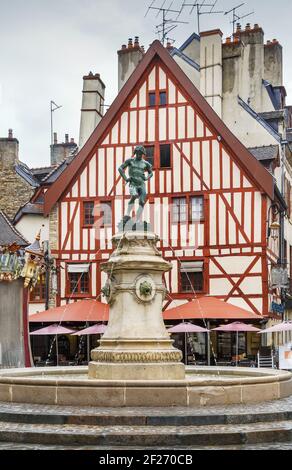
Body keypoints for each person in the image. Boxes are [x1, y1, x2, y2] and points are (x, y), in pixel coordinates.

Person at [118, 146, 153, 223]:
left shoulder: (145, 163)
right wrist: (125, 178)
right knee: (134, 195)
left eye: (141, 154)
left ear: (143, 154)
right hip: (133, 183)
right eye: (138, 153)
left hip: (141, 183)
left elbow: (151, 173)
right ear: (135, 153)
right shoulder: (130, 161)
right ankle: (127, 214)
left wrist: (147, 178)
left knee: (142, 202)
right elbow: (120, 168)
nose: (139, 155)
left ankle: (137, 218)